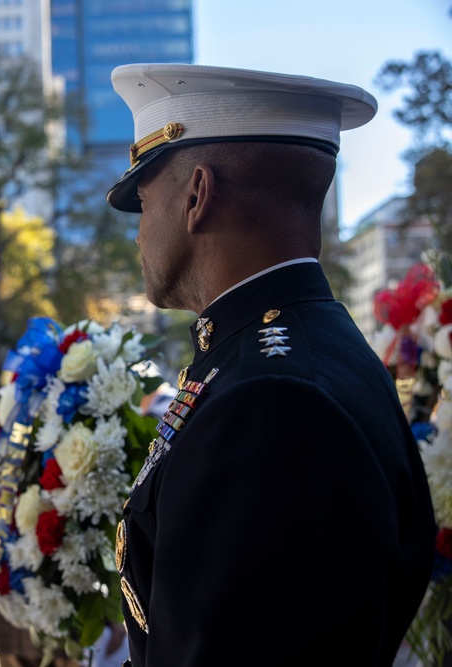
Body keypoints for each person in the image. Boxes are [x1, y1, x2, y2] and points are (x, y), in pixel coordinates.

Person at [104, 63, 436, 666]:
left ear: (197, 195)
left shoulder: (271, 404)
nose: (136, 234)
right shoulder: (301, 352)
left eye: (143, 202)